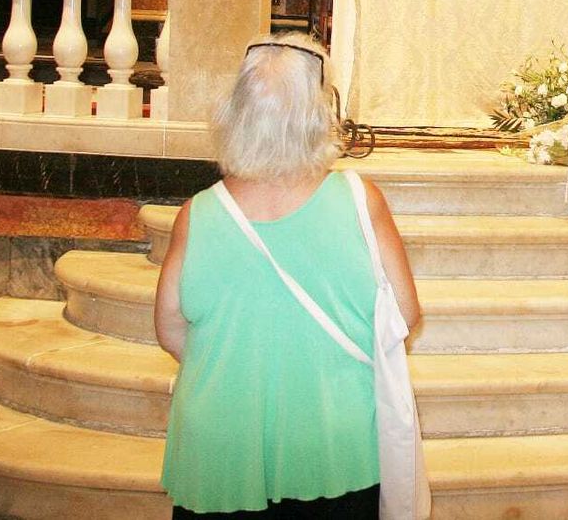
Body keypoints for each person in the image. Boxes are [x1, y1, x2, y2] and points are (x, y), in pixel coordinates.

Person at [155, 34, 421, 518]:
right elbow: (405, 315)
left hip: (220, 439)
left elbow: (170, 328)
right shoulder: (363, 200)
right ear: (322, 113)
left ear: (235, 111)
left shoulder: (196, 214)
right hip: (332, 440)